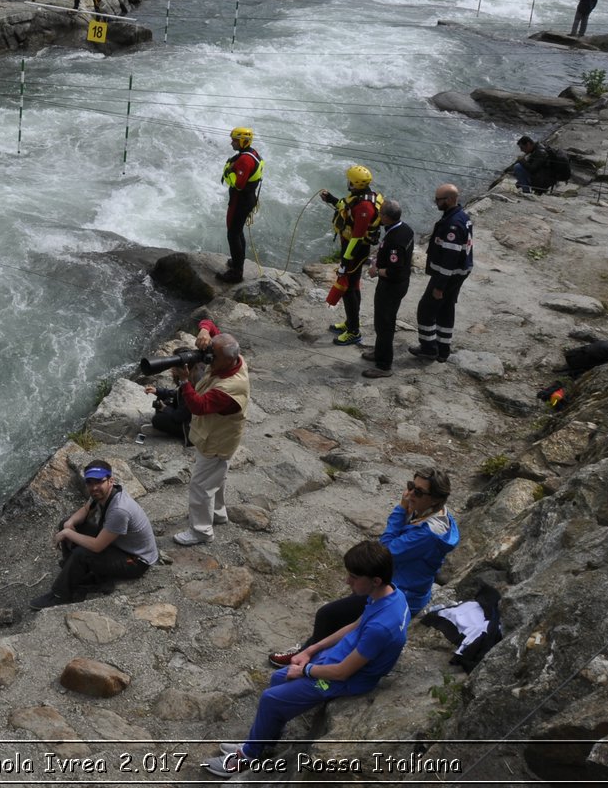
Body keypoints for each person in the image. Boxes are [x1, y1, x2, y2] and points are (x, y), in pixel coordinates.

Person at [204, 540, 409, 778]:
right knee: (278, 678)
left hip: (345, 679)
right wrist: (311, 650)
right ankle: (264, 742)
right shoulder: (390, 593)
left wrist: (306, 670)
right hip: (336, 659)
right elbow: (356, 625)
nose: (347, 581)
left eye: (353, 577)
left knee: (271, 699)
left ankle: (248, 755)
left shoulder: (382, 627)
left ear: (375, 580)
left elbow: (342, 673)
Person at [265, 471, 457, 666]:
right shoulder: (431, 512)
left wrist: (400, 510)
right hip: (396, 582)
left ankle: (306, 659)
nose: (409, 495)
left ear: (434, 499)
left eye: (418, 492)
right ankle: (310, 650)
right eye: (410, 486)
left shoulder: (427, 534)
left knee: (328, 615)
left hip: (399, 592)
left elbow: (384, 552)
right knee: (342, 614)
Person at [29, 460, 159, 609]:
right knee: (67, 523)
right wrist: (69, 524)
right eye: (89, 482)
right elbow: (85, 510)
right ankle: (74, 570)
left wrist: (67, 533)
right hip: (119, 545)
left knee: (82, 553)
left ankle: (60, 595)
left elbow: (97, 546)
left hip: (136, 560)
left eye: (99, 482)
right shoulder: (101, 494)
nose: (94, 487)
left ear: (110, 481)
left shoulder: (120, 510)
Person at [169, 333, 250, 547]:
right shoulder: (235, 360)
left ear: (228, 359)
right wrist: (205, 331)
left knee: (200, 486)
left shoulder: (230, 389)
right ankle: (217, 513)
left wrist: (185, 380)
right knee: (217, 478)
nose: (208, 360)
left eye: (213, 357)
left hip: (216, 441)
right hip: (224, 438)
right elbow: (211, 327)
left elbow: (199, 407)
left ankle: (201, 531)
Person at [318, 165, 383, 347]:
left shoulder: (365, 206)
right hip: (352, 249)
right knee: (353, 285)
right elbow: (346, 208)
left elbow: (357, 236)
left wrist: (345, 261)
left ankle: (354, 331)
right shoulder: (361, 197)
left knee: (348, 289)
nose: (347, 182)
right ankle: (350, 322)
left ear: (355, 183)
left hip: (355, 251)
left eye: (349, 180)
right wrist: (331, 199)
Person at [409, 183, 473, 363]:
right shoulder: (460, 216)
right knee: (446, 309)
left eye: (439, 199)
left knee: (425, 309)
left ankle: (429, 348)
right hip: (458, 273)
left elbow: (449, 259)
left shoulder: (453, 224)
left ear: (450, 200)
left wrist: (439, 286)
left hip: (448, 275)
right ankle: (443, 349)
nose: (436, 202)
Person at [361, 199, 413, 379]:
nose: (378, 216)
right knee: (381, 321)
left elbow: (395, 271)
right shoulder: (405, 229)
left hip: (392, 287)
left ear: (386, 217)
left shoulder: (395, 240)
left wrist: (377, 271)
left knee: (385, 324)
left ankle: (384, 365)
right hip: (394, 285)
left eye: (380, 213)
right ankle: (380, 351)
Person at [219, 128, 264, 285]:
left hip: (240, 200)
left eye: (235, 140)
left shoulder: (245, 160)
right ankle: (239, 261)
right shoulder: (252, 153)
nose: (232, 142)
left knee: (233, 234)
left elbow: (238, 185)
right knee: (238, 232)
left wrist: (228, 172)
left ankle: (237, 272)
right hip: (247, 199)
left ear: (243, 141)